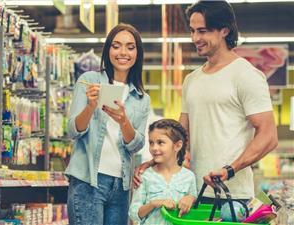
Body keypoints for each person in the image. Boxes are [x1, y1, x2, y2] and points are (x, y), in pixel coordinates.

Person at [134, 0, 278, 205]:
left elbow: (269, 136)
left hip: (232, 195)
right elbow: (180, 134)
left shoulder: (246, 75)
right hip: (193, 192)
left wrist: (230, 170)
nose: (195, 38)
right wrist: (157, 161)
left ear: (224, 30)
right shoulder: (192, 80)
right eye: (192, 31)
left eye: (202, 31)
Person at [66, 23, 151, 225]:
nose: (123, 52)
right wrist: (90, 106)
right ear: (108, 50)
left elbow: (137, 145)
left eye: (130, 47)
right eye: (116, 46)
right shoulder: (89, 80)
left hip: (121, 185)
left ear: (137, 53)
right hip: (88, 180)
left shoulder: (141, 98)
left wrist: (123, 121)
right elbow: (73, 131)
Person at [129, 119, 197, 225]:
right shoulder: (145, 176)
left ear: (178, 146)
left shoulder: (189, 177)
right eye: (151, 143)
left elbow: (194, 204)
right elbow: (134, 213)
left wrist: (191, 198)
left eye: (160, 143)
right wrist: (155, 203)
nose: (154, 148)